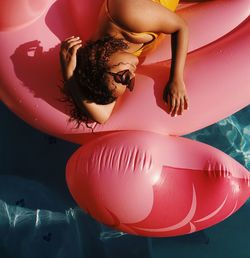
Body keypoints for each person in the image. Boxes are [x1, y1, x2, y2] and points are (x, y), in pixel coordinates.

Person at [60, 0, 189, 127]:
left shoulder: (126, 13)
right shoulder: (114, 52)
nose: (132, 76)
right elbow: (103, 116)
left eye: (122, 77)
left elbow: (180, 27)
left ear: (100, 64)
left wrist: (176, 78)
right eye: (129, 84)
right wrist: (70, 77)